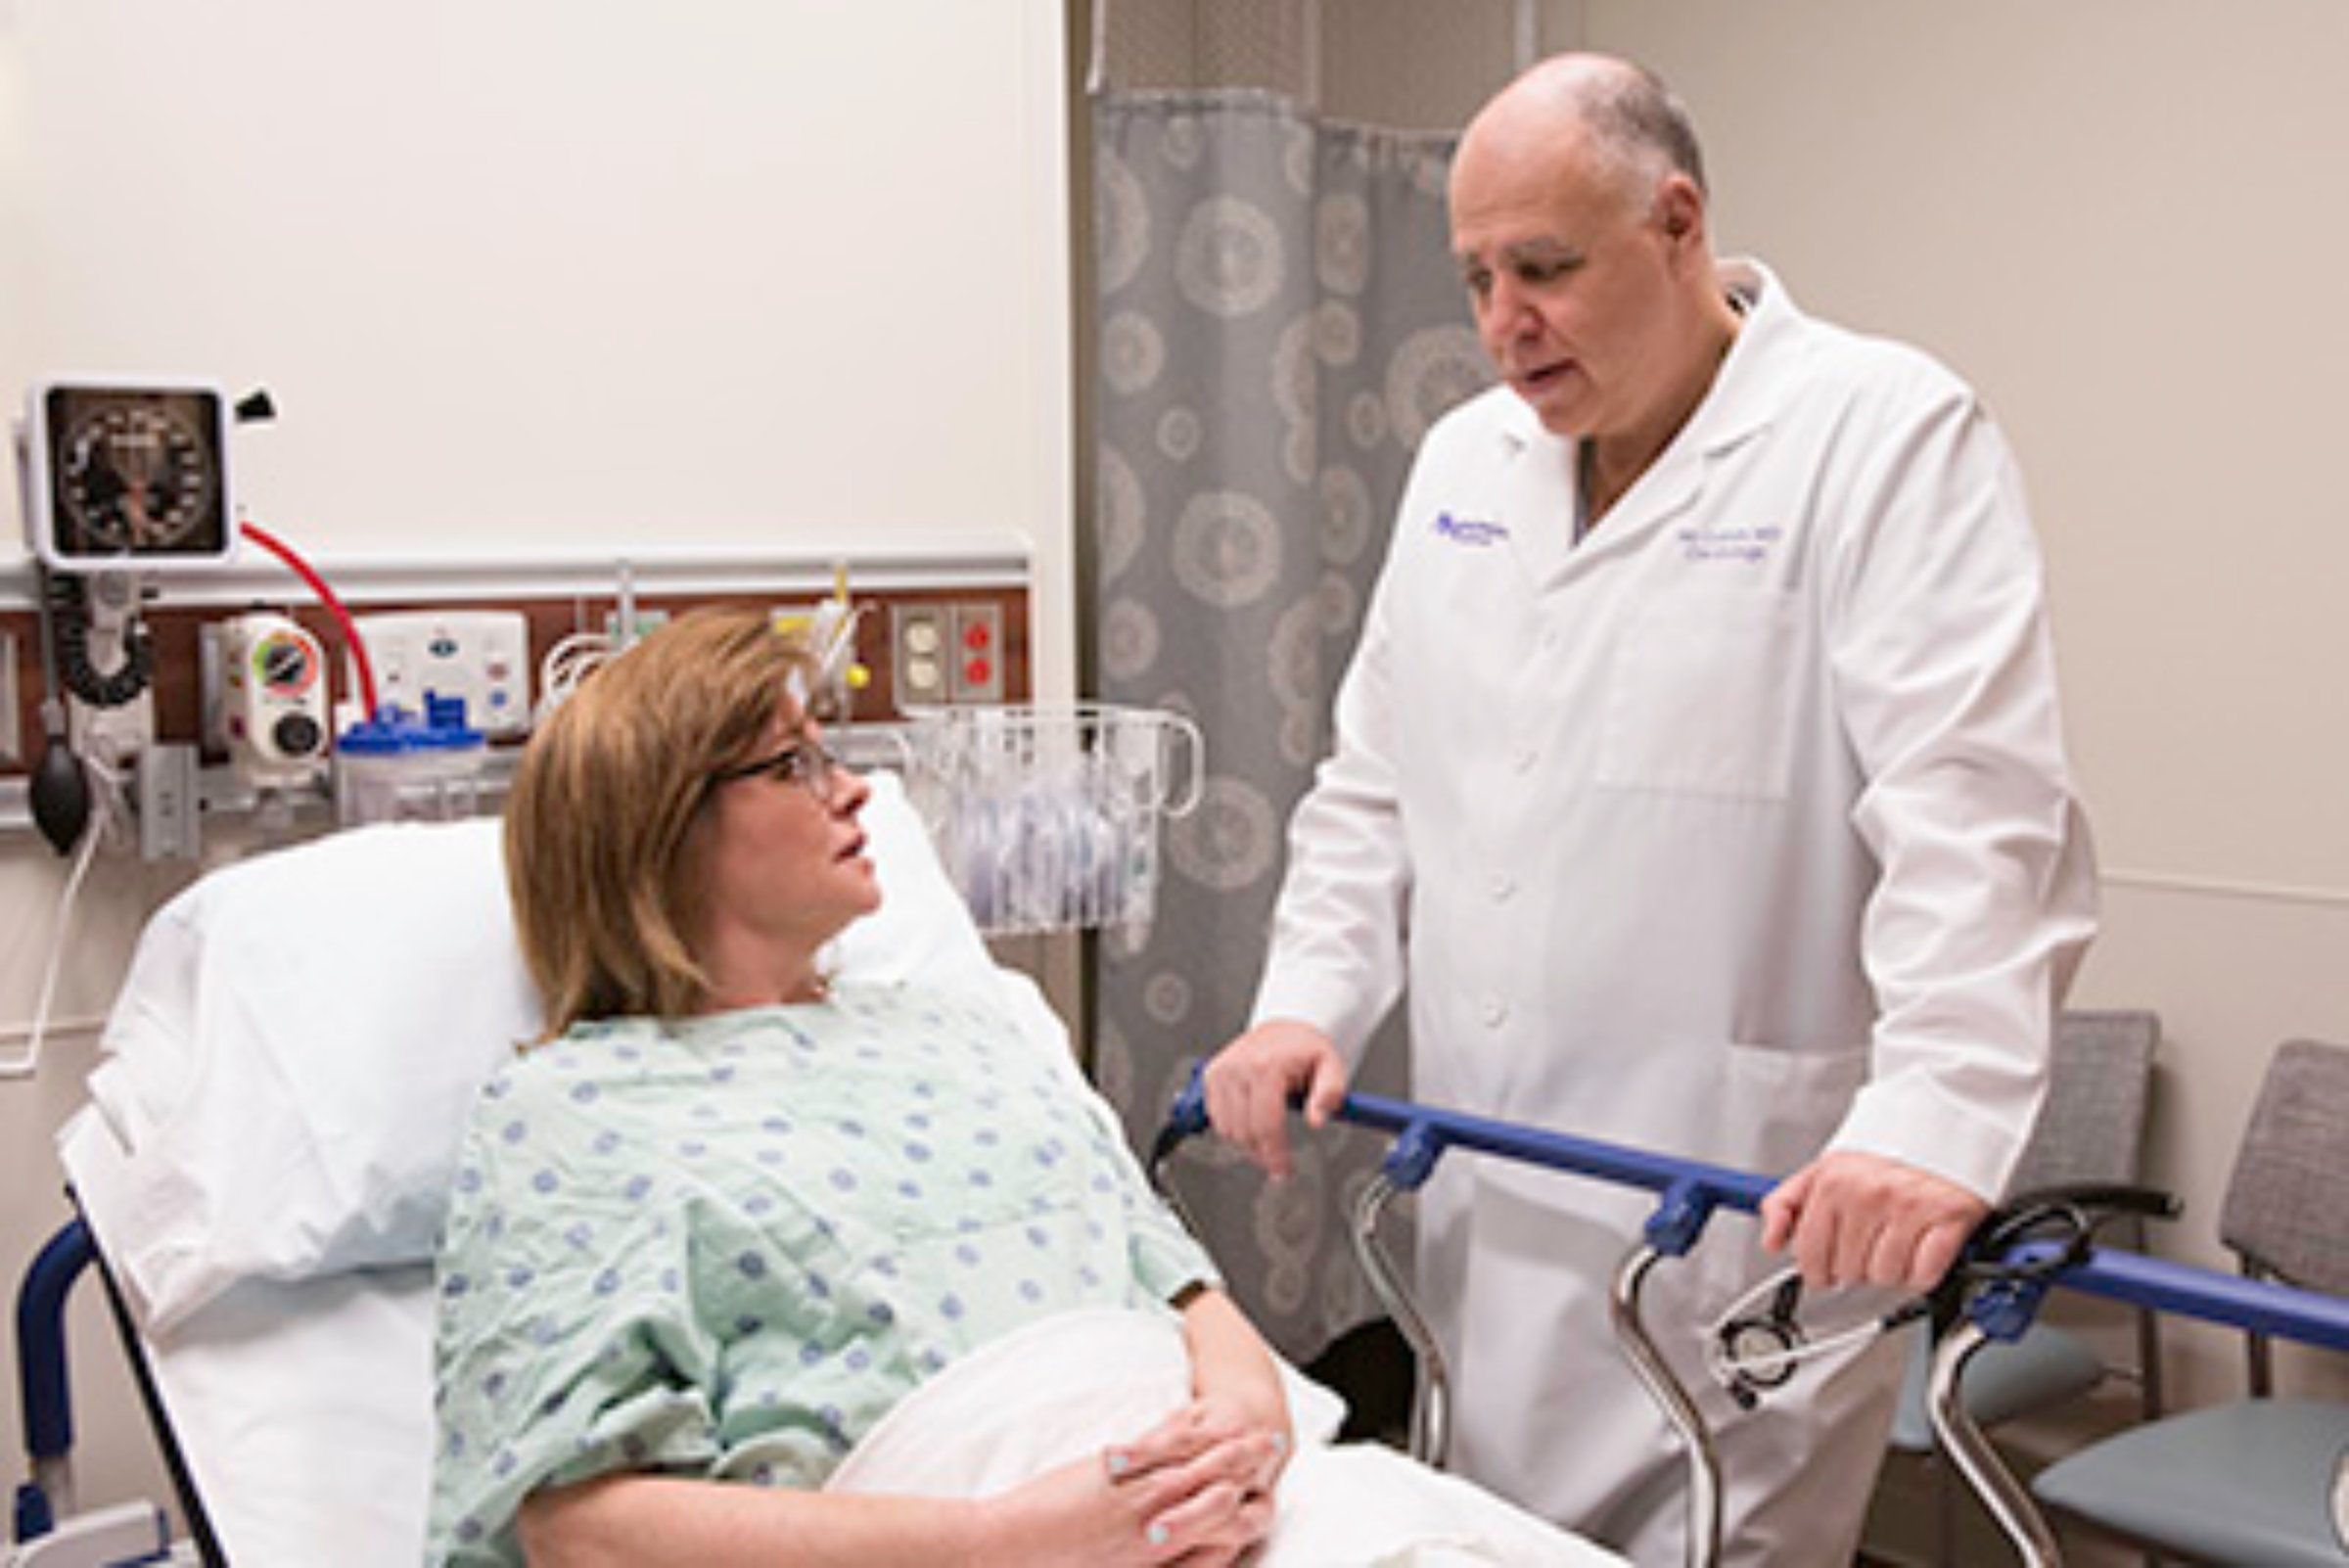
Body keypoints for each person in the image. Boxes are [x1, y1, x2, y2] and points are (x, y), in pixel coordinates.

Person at [1201, 52, 2097, 1565]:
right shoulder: (1460, 464)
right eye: (1478, 274)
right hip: (1495, 1196)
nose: (1503, 323)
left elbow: (1973, 813)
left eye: (1544, 267)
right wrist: (1309, 1000)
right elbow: (1373, 784)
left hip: (1742, 1204)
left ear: (1677, 222)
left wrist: (1935, 1122)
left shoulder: (1880, 433)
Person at [425, 606, 1291, 1566]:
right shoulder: (571, 1112)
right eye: (793, 764)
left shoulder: (964, 1031)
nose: (851, 793)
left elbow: (1187, 1294)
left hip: (1207, 1506)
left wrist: (1247, 1444)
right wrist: (1007, 1542)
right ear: (660, 821)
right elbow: (580, 1532)